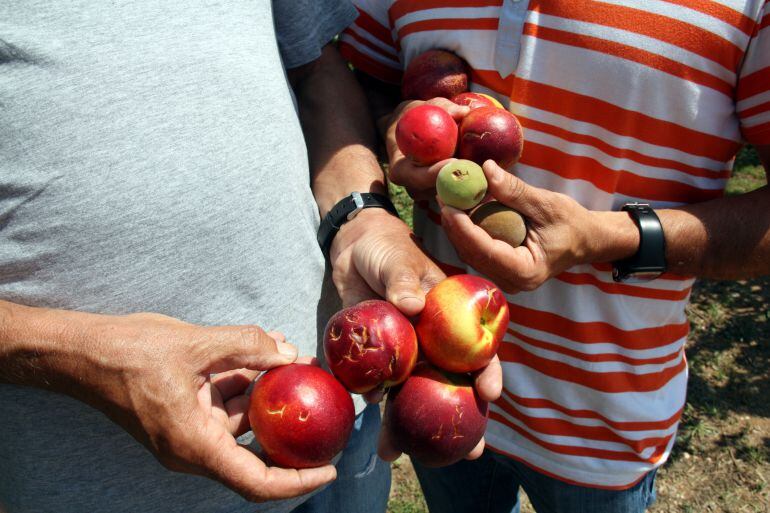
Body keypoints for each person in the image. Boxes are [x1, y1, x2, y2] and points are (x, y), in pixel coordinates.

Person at [0, 1, 486, 512]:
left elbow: (317, 70)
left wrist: (359, 215)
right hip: (102, 484)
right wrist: (71, 353)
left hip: (342, 419)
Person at [341, 1, 770, 512]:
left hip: (603, 426)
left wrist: (604, 237)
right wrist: (398, 127)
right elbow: (362, 85)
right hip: (436, 390)